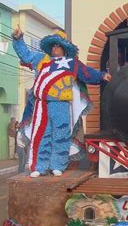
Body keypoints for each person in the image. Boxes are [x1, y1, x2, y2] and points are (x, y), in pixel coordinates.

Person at [12, 26, 112, 178]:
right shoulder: (41, 60)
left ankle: (57, 165)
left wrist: (102, 76)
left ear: (65, 49)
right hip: (42, 104)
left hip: (62, 104)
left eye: (59, 45)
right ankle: (40, 166)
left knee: (61, 134)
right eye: (53, 45)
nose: (55, 48)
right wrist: (18, 39)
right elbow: (25, 55)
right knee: (41, 134)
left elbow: (87, 73)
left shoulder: (73, 63)